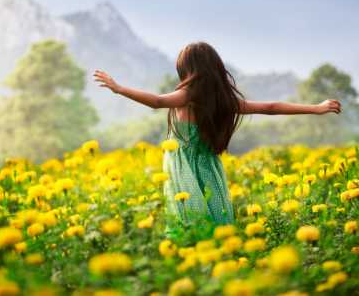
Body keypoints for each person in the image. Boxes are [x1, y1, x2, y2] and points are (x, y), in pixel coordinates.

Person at [93, 41, 342, 238]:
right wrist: (315, 108)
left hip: (184, 166)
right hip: (209, 165)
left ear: (188, 70)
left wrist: (119, 88)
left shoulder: (187, 95)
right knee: (214, 215)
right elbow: (270, 106)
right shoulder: (224, 100)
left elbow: (158, 102)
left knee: (188, 218)